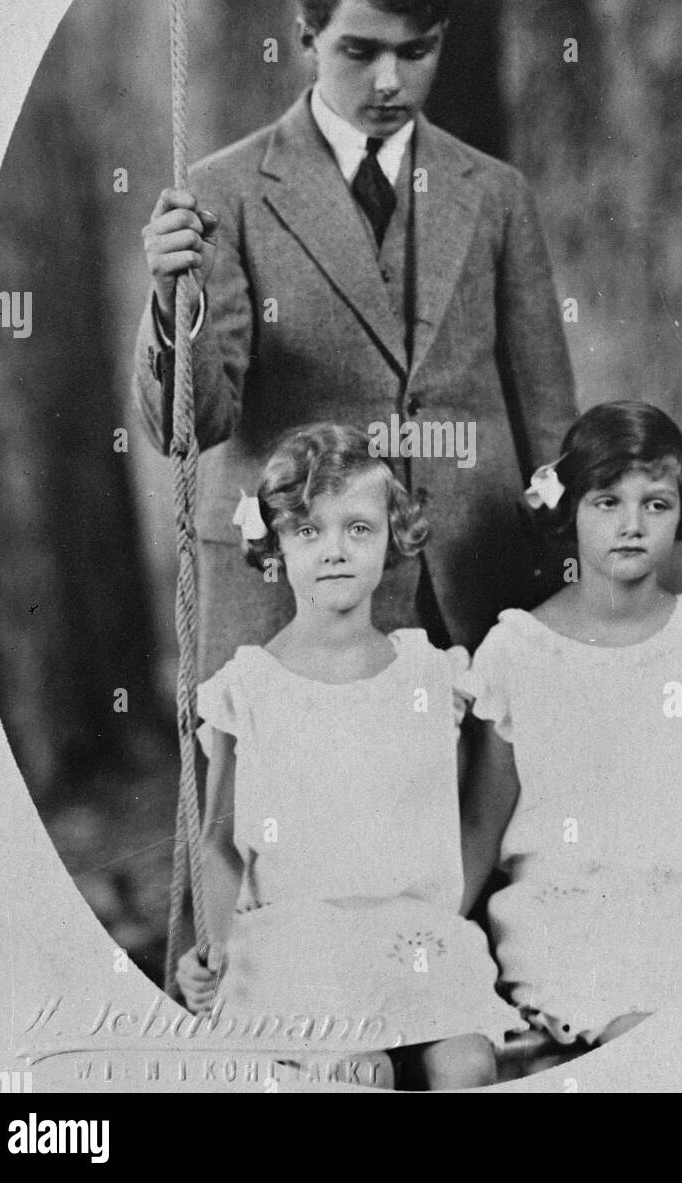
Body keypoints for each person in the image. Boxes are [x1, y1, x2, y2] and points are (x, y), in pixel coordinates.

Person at [133, 0, 576, 677]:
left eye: (418, 52)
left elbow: (547, 415)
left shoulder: (497, 194)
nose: (389, 82)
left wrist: (571, 570)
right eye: (359, 50)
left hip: (472, 586)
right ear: (307, 38)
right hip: (287, 595)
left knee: (462, 797)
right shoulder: (222, 193)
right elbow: (191, 426)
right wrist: (175, 302)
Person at [176, 424, 523, 1091]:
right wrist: (215, 946)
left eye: (358, 529)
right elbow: (217, 840)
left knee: (466, 1065)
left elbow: (486, 792)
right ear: (275, 544)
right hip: (295, 941)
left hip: (411, 935)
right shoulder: (248, 687)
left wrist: (451, 898)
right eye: (309, 530)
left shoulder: (431, 674)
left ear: (395, 535)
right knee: (356, 1071)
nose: (334, 550)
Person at [462, 402, 682, 1050]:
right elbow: (482, 826)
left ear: (681, 512)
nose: (632, 525)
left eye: (655, 504)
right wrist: (427, 933)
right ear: (568, 508)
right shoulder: (519, 651)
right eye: (607, 502)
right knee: (650, 1036)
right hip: (572, 915)